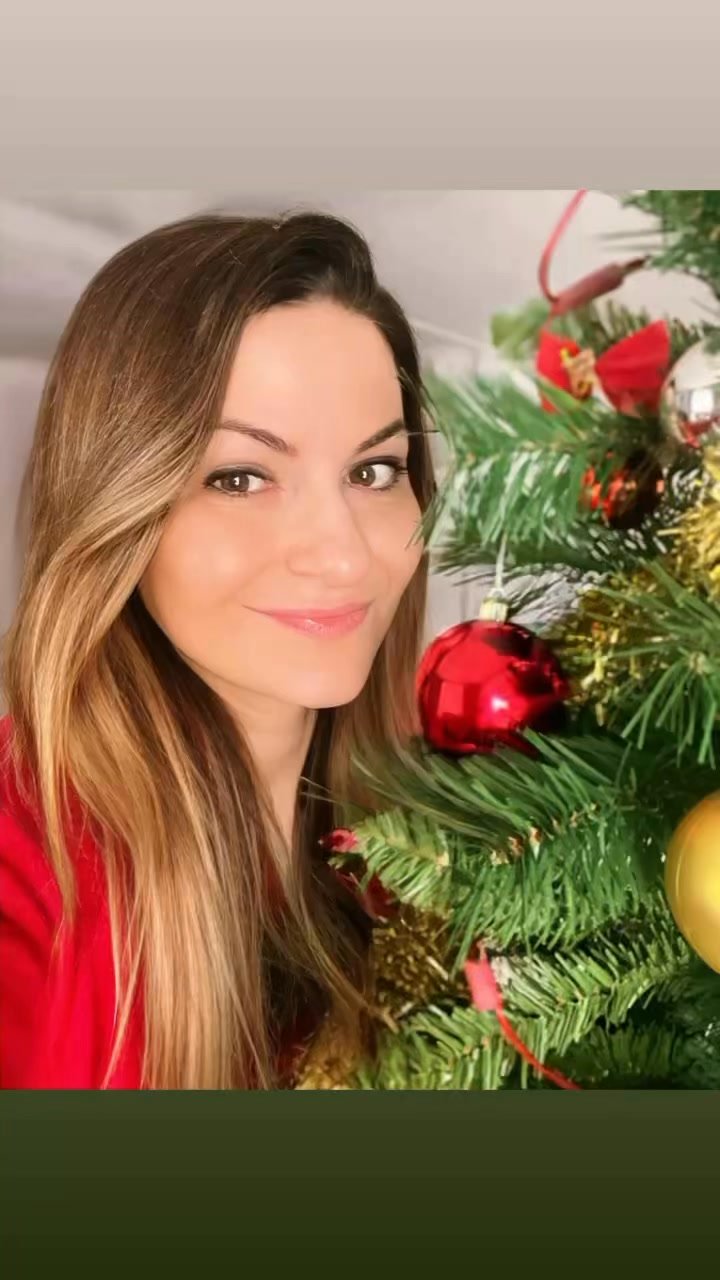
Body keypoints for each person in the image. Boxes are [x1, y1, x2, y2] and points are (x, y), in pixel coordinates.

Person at [0, 209, 437, 1089]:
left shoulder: (439, 846)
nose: (344, 555)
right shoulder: (24, 873)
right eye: (240, 478)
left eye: (374, 471)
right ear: (120, 505)